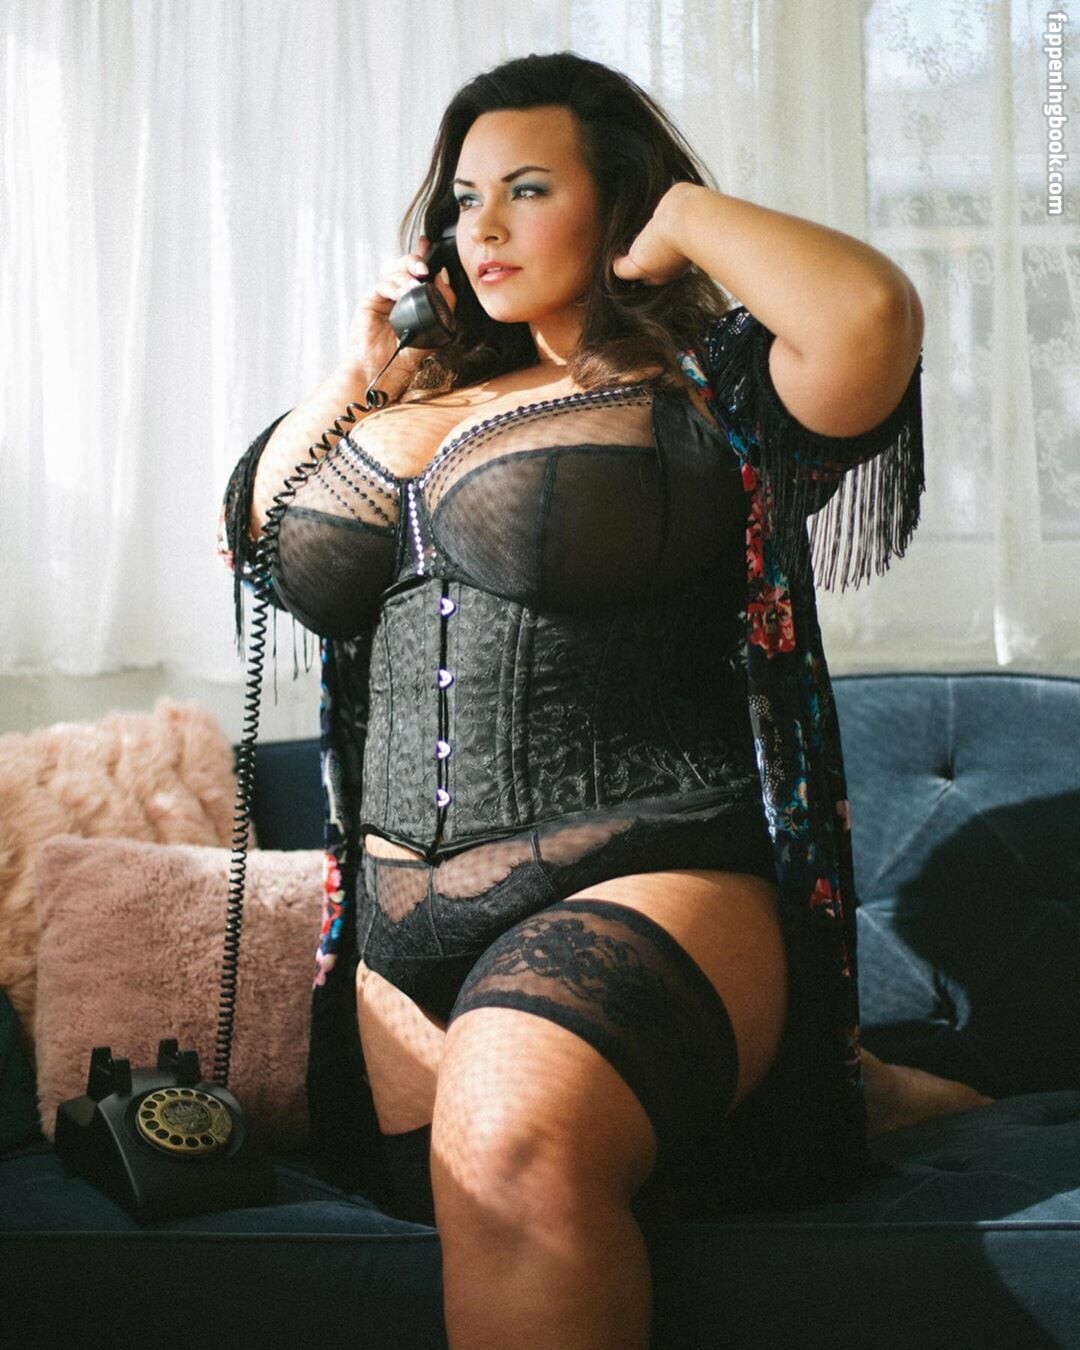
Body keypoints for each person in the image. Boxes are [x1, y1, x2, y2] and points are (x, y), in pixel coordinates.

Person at [218, 51, 990, 1350]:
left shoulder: (709, 385)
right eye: (465, 199)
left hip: (645, 872)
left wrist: (680, 218)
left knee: (511, 1149)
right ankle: (825, 1092)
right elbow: (255, 533)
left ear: (616, 200)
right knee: (480, 1180)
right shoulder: (407, 399)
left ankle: (817, 1077)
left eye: (529, 188)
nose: (486, 226)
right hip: (400, 945)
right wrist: (362, 377)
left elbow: (868, 316)